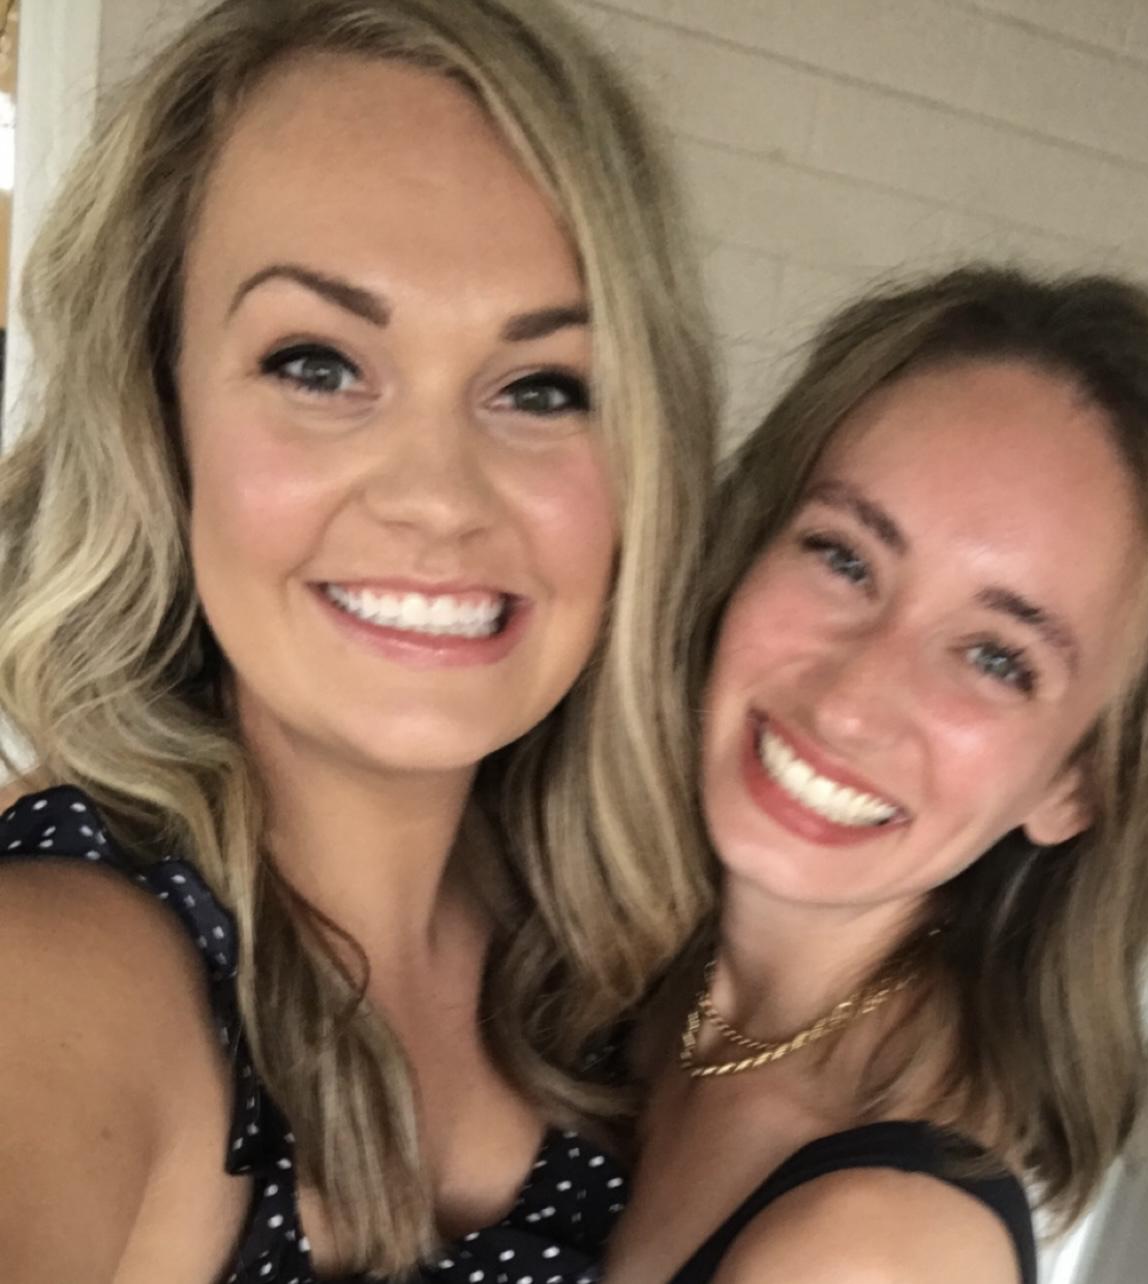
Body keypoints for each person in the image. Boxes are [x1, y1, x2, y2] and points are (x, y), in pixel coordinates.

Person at [0, 1, 716, 1281]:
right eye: (318, 366)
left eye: (542, 388)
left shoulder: (607, 944)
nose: (438, 497)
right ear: (160, 418)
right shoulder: (57, 968)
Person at [605, 268, 1148, 1284]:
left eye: (998, 659)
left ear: (1080, 783)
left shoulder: (883, 1249)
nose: (849, 701)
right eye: (843, 557)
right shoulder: (613, 960)